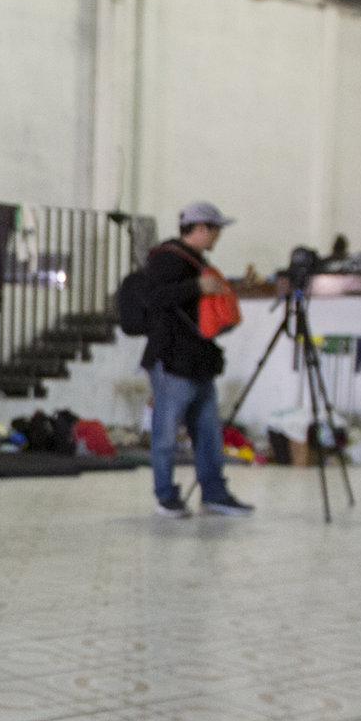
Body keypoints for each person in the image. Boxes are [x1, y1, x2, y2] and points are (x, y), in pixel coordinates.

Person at [121, 202, 253, 518]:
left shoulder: (195, 262)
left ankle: (215, 494)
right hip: (171, 362)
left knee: (208, 434)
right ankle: (166, 497)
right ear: (201, 228)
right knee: (165, 435)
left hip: (198, 362)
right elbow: (154, 299)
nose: (218, 236)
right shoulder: (167, 259)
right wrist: (195, 286)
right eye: (216, 229)